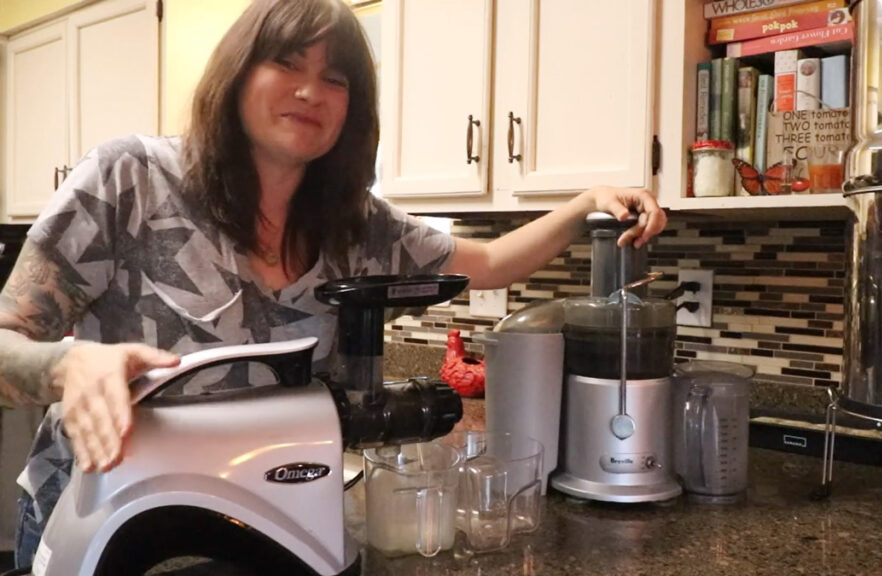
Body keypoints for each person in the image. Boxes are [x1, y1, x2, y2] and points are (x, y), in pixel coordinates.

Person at [0, 0, 666, 568]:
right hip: (101, 530)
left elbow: (488, 262)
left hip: (272, 528)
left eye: (336, 77)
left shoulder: (358, 228)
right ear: (237, 72)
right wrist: (66, 364)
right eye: (287, 61)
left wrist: (585, 206)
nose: (309, 91)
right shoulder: (129, 180)